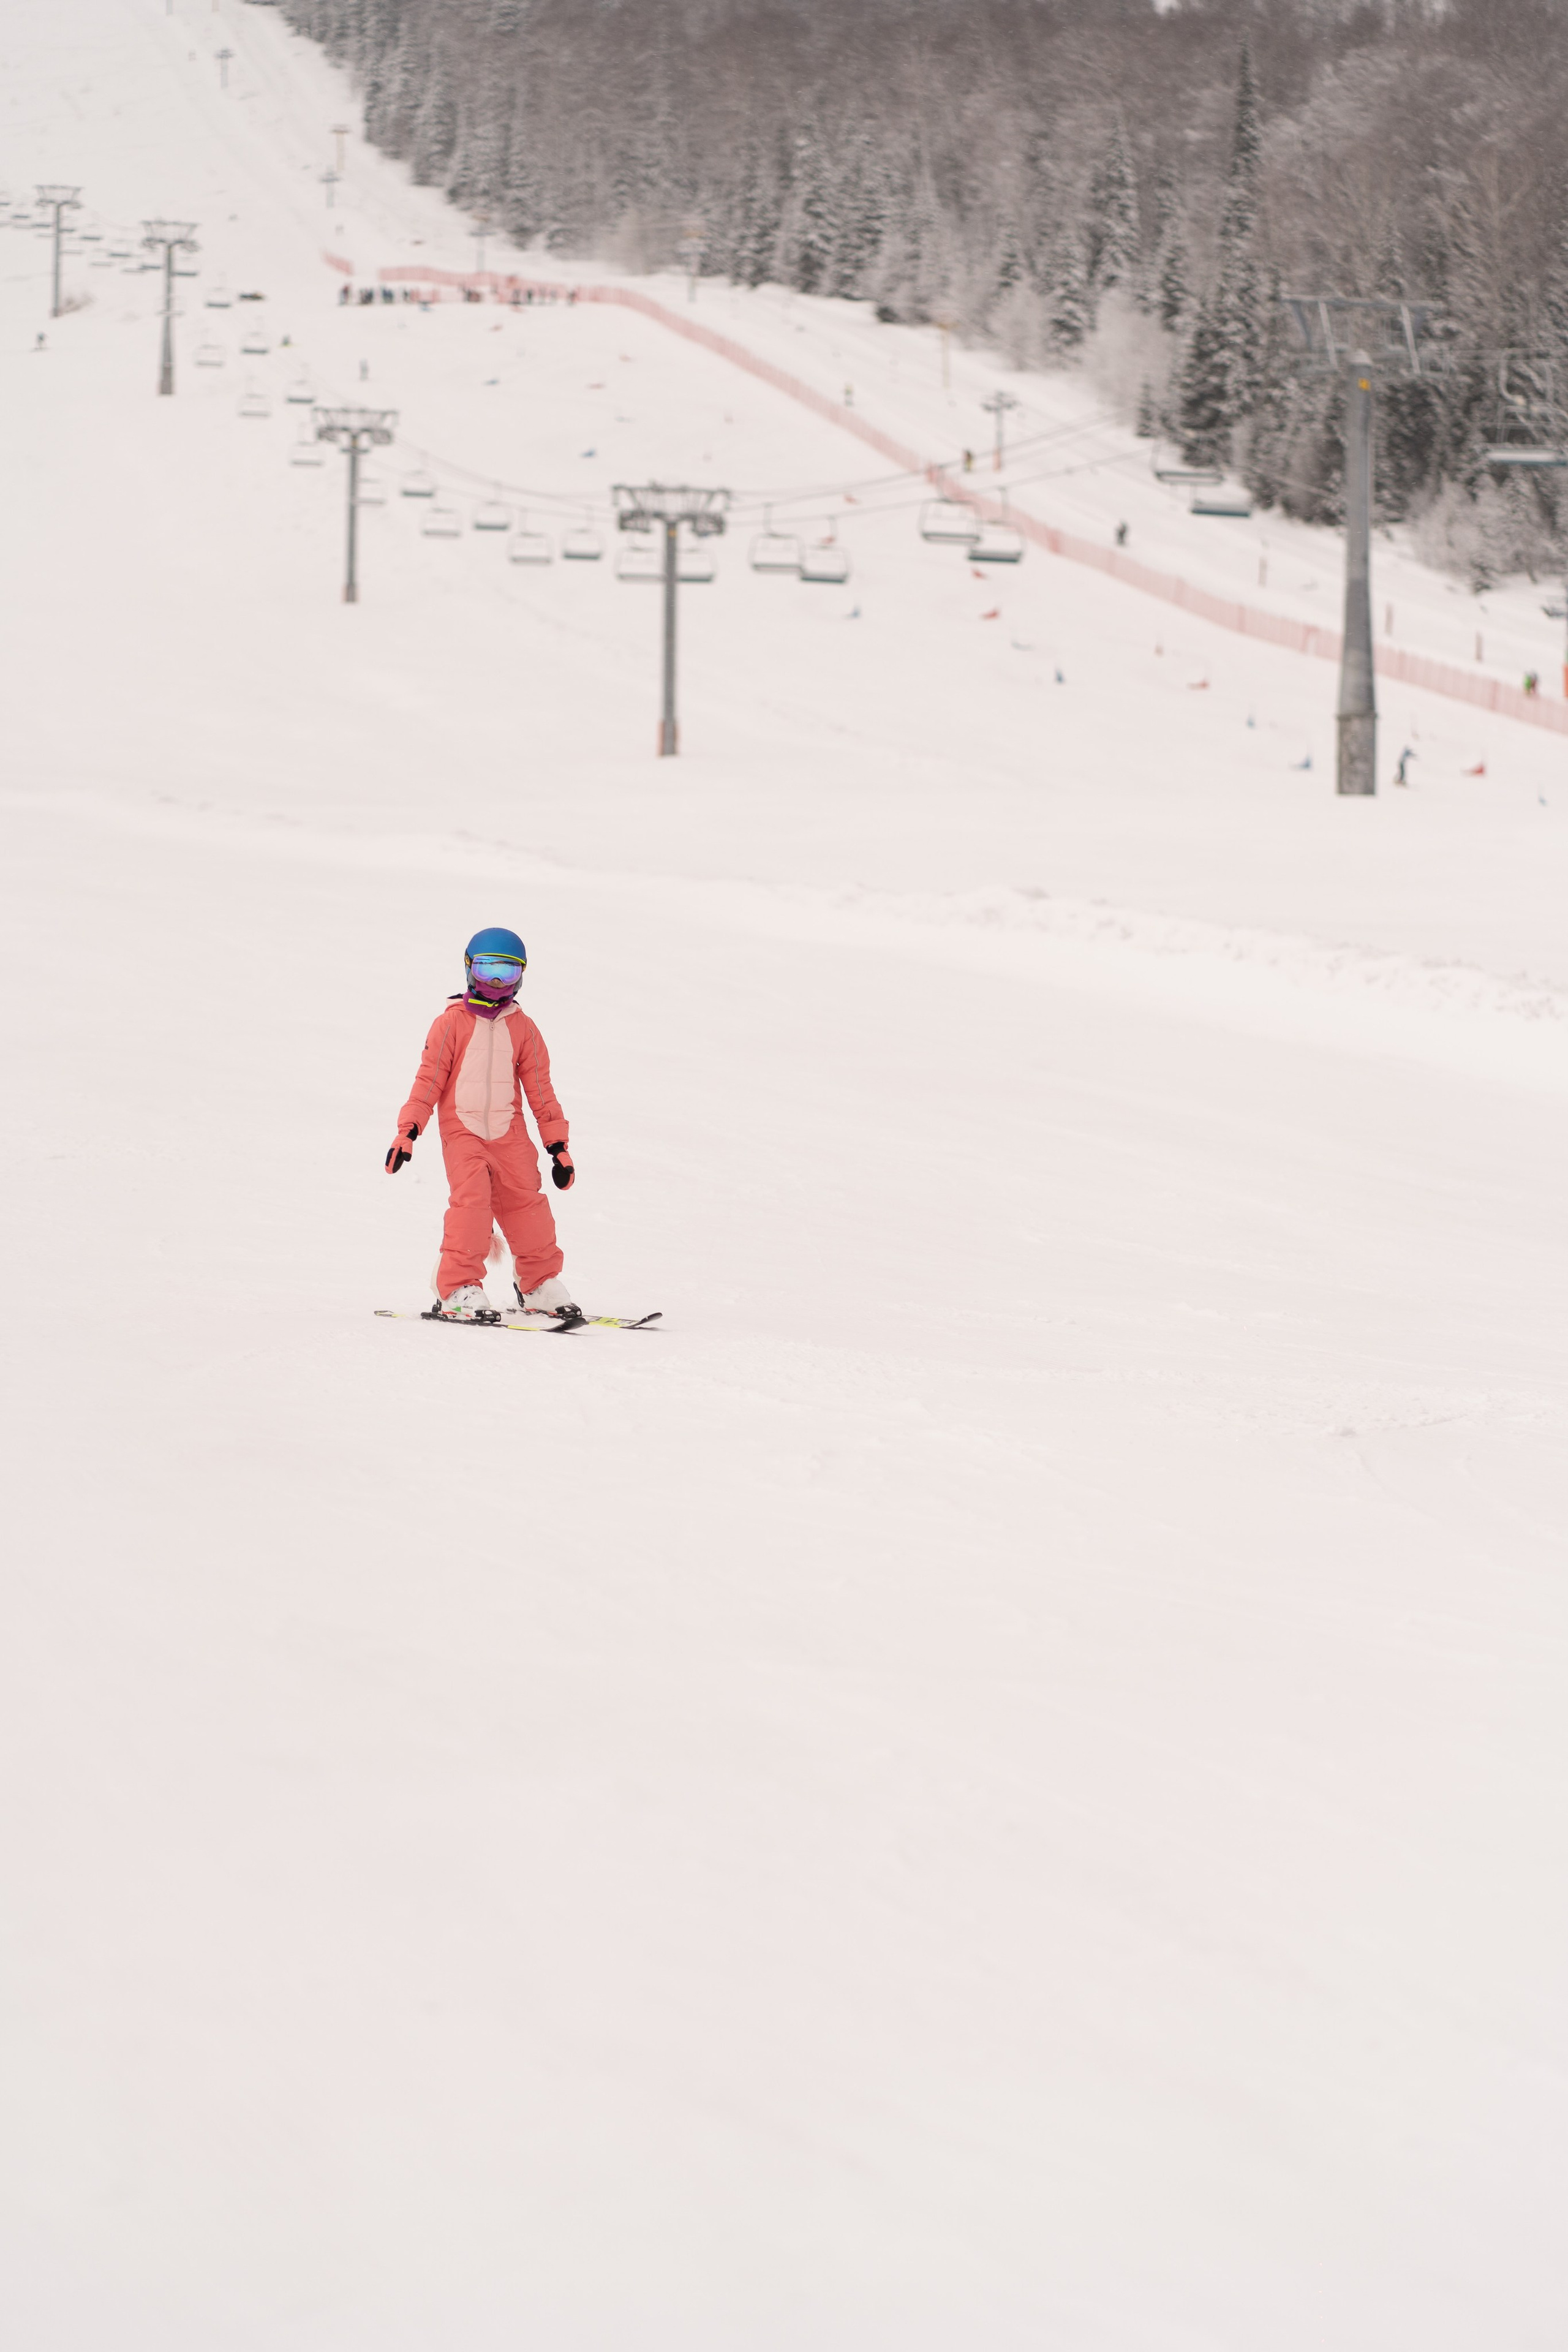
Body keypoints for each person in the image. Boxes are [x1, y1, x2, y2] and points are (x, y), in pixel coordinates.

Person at [385, 927, 578, 1321]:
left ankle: (538, 1285)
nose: (494, 981)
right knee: (471, 1205)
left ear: (520, 977)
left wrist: (558, 1147)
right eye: (488, 968)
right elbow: (428, 1082)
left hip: (511, 1133)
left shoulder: (524, 1029)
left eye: (506, 972)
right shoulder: (450, 1024)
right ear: (469, 969)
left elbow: (541, 1091)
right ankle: (457, 1287)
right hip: (463, 1131)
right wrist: (408, 1132)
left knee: (529, 1205)